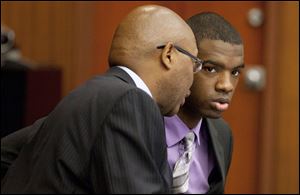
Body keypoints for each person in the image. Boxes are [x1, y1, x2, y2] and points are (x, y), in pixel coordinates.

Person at [1, 5, 201, 193]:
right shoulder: (131, 101)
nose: (194, 79)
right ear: (169, 55)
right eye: (194, 64)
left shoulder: (88, 96)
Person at [165, 12, 244, 194]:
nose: (226, 86)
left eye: (235, 72)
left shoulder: (221, 134)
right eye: (210, 69)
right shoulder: (142, 123)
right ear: (179, 62)